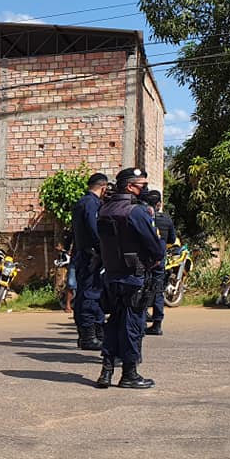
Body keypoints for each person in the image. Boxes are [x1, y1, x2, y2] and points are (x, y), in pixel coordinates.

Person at [94, 167, 165, 389]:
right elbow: (154, 245)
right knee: (133, 325)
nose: (145, 189)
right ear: (129, 186)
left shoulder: (105, 209)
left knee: (113, 323)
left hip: (112, 275)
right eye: (142, 185)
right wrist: (155, 258)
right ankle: (129, 374)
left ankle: (106, 372)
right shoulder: (136, 211)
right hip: (133, 276)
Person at [71, 173, 109, 349]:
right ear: (103, 187)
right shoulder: (91, 204)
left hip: (82, 253)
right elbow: (95, 231)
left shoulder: (81, 202)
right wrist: (103, 250)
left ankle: (87, 335)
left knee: (84, 295)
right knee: (90, 295)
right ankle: (88, 337)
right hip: (91, 256)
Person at [138, 189, 176, 335]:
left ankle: (141, 322)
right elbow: (172, 240)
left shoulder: (141, 216)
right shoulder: (166, 219)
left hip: (144, 259)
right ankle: (157, 323)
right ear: (159, 203)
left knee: (141, 289)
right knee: (158, 290)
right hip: (159, 260)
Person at [56, 228, 76, 314]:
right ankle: (68, 305)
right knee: (71, 283)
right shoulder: (73, 230)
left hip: (85, 257)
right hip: (75, 258)